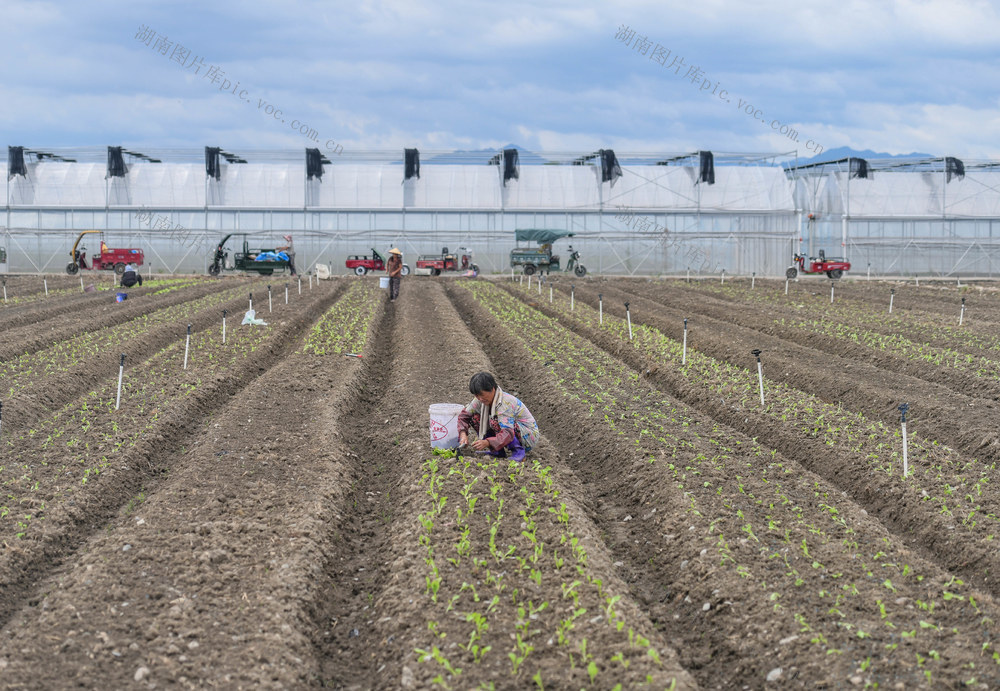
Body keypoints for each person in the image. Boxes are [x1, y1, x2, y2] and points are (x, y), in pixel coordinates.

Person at [457, 372, 538, 462]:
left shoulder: (505, 402)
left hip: (527, 436)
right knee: (474, 417)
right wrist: (463, 433)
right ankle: (497, 451)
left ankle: (518, 452)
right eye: (476, 395)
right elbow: (464, 415)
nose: (480, 399)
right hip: (510, 431)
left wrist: (488, 442)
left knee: (495, 420)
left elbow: (508, 432)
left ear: (492, 389)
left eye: (482, 395)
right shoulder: (479, 400)